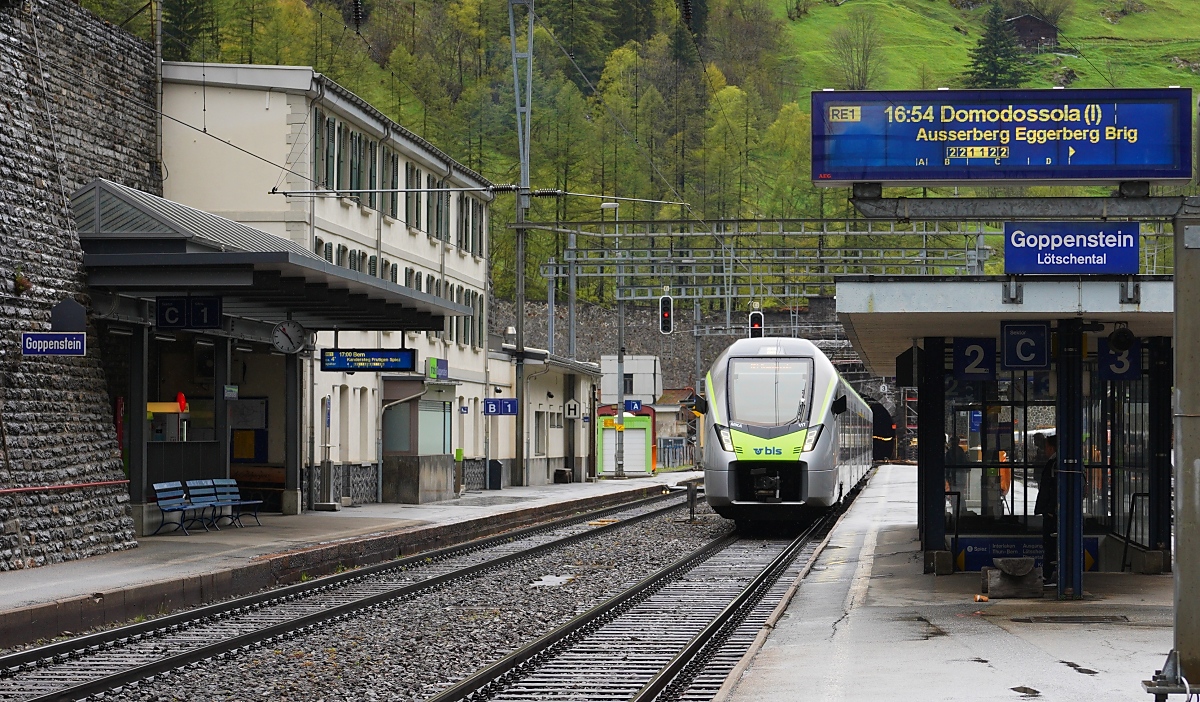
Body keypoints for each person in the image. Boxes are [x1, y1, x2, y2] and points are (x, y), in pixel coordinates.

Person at [1034, 434, 1058, 585]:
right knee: (1049, 542)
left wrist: (1049, 509)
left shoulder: (1054, 464)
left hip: (1051, 511)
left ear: (1051, 447)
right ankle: (1049, 573)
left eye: (1046, 447)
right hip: (1051, 509)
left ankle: (1048, 575)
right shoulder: (1054, 463)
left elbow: (1053, 489)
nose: (1045, 450)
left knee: (1049, 543)